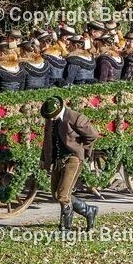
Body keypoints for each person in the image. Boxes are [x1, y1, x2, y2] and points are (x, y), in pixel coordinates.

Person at [40, 96, 99, 231]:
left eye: (53, 117)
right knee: (56, 193)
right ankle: (89, 211)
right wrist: (44, 159)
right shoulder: (51, 119)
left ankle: (65, 229)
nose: (51, 119)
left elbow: (93, 135)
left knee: (63, 195)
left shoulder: (76, 118)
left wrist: (82, 150)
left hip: (73, 158)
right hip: (58, 160)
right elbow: (47, 141)